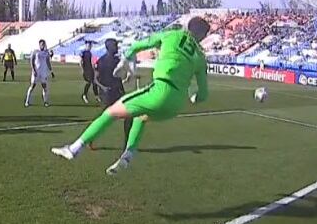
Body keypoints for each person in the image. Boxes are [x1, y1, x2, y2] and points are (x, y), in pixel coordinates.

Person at [50, 18, 211, 175]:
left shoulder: (172, 35)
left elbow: (138, 45)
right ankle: (128, 156)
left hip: (160, 91)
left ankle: (74, 148)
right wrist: (194, 97)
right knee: (141, 117)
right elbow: (203, 94)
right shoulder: (201, 58)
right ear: (203, 37)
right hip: (176, 104)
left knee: (111, 112)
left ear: (187, 27)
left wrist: (126, 58)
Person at [90, 38, 132, 152]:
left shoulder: (118, 60)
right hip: (107, 95)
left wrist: (126, 78)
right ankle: (91, 138)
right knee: (103, 119)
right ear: (109, 47)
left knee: (129, 116)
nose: (117, 47)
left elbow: (123, 74)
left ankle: (127, 143)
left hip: (118, 92)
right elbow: (95, 79)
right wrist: (104, 88)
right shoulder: (101, 61)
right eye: (115, 45)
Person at [25, 39, 52, 107]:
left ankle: (45, 101)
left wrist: (51, 71)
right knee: (32, 86)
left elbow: (48, 62)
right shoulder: (35, 52)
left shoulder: (46, 52)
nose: (43, 45)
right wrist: (34, 70)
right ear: (39, 44)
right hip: (36, 72)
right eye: (41, 44)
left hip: (43, 72)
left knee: (44, 87)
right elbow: (31, 61)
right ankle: (27, 101)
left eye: (44, 44)